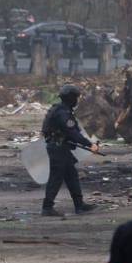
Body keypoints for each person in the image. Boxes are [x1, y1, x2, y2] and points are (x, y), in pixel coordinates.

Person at [40, 84, 99, 217]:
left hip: (61, 148)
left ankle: (79, 205)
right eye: (76, 98)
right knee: (56, 178)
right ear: (71, 98)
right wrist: (89, 145)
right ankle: (47, 208)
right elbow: (72, 133)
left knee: (72, 176)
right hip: (58, 149)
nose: (77, 100)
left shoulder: (60, 110)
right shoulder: (63, 113)